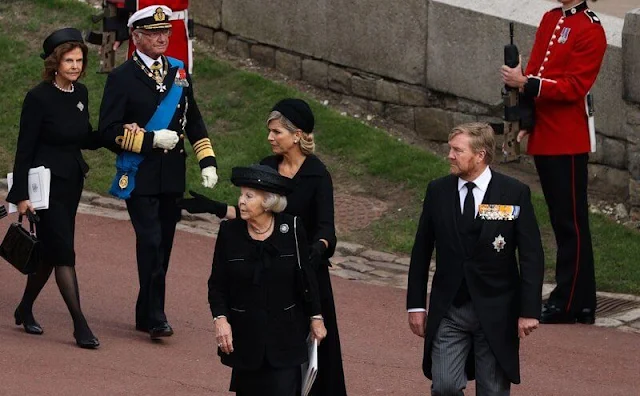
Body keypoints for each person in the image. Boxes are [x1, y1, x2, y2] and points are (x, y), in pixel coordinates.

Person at [179, 98, 348, 395]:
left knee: (316, 359)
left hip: (304, 273)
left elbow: (326, 229)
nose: (270, 137)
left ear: (297, 135)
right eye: (269, 131)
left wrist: (316, 249)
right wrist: (217, 208)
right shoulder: (268, 167)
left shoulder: (317, 174)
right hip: (268, 267)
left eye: (276, 132)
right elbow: (254, 210)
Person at [98, 5, 218, 340]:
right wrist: (149, 139)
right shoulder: (121, 78)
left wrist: (206, 160)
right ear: (136, 37)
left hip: (172, 175)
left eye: (165, 32)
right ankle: (156, 315)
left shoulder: (178, 72)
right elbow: (106, 131)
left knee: (163, 244)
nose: (162, 38)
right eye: (153, 33)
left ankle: (144, 310)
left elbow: (193, 120)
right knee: (150, 241)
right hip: (140, 174)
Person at [406, 123, 544, 395]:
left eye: (458, 150)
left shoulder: (514, 193)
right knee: (444, 386)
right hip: (450, 309)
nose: (450, 155)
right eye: (450, 149)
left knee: (492, 390)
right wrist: (415, 306)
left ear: (480, 155)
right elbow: (421, 250)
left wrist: (529, 311)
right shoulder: (438, 191)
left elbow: (531, 255)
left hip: (497, 310)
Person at [501, 0, 607, 324]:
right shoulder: (550, 19)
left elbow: (574, 88)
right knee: (563, 222)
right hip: (546, 136)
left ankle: (569, 301)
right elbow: (537, 71)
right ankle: (580, 301)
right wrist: (525, 121)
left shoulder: (591, 29)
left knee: (570, 224)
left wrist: (525, 83)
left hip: (568, 139)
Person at [6, 28, 102, 349]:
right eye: (68, 60)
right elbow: (24, 149)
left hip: (71, 184)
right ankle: (80, 325)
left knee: (49, 253)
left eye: (79, 60)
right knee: (64, 254)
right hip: (43, 190)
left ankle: (24, 308)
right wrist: (20, 196)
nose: (75, 65)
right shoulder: (38, 98)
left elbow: (85, 136)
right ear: (55, 63)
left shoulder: (82, 93)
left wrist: (115, 135)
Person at [209, 164, 327, 396]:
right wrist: (220, 320)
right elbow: (217, 284)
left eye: (249, 196)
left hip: (285, 338)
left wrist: (316, 316)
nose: (241, 201)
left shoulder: (292, 229)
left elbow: (307, 278)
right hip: (246, 339)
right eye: (241, 195)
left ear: (268, 202)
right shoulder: (229, 233)